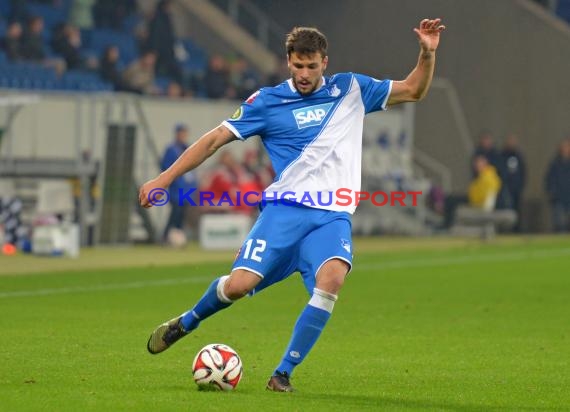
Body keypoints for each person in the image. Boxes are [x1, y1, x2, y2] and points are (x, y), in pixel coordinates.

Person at [139, 19, 446, 392]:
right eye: (298, 66)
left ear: (324, 62)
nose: (304, 74)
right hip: (284, 212)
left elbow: (414, 89)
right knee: (238, 286)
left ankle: (282, 373)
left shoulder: (351, 89)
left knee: (332, 279)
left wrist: (426, 53)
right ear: (288, 62)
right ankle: (187, 321)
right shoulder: (266, 101)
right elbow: (215, 139)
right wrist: (164, 178)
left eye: (311, 66)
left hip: (331, 216)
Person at [161, 123, 198, 243]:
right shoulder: (171, 149)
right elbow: (165, 166)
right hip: (176, 188)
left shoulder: (188, 148)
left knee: (182, 215)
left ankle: (177, 239)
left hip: (187, 189)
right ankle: (166, 237)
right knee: (175, 213)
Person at [499, 133, 526, 230]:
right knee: (506, 209)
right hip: (505, 188)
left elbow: (523, 172)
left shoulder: (518, 156)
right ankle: (506, 230)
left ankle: (516, 229)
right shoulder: (502, 156)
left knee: (517, 210)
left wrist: (520, 185)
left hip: (516, 189)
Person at [545, 138, 570, 232]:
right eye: (564, 147)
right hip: (558, 198)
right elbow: (549, 179)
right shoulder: (555, 164)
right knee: (559, 223)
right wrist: (552, 192)